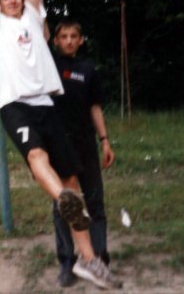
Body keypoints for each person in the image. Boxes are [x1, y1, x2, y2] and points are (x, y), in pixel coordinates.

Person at [0, 0, 122, 290]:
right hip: (16, 104)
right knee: (38, 158)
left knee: (71, 177)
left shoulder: (32, 16)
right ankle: (62, 198)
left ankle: (89, 260)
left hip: (45, 103)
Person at [51, 19, 116, 287]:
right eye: (63, 36)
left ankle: (98, 257)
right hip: (59, 145)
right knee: (64, 204)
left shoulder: (88, 69)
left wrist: (105, 140)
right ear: (56, 40)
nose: (68, 41)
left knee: (94, 201)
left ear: (81, 40)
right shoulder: (49, 65)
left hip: (86, 145)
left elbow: (95, 108)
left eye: (73, 36)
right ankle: (67, 261)